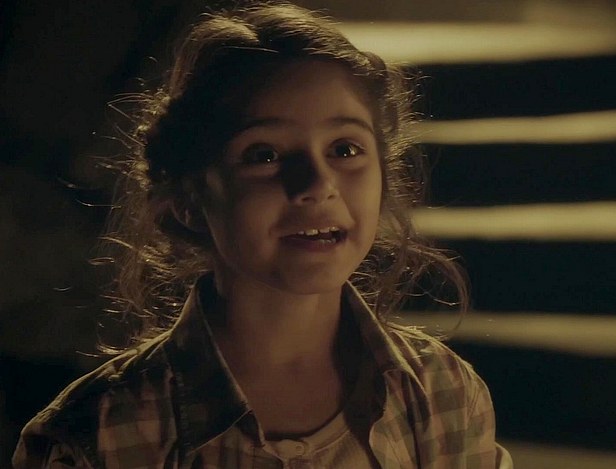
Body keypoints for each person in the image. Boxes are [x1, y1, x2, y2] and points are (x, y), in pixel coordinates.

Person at [13, 2, 511, 468]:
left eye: (344, 149)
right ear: (189, 199)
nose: (317, 184)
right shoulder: (100, 434)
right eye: (264, 155)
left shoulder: (441, 394)